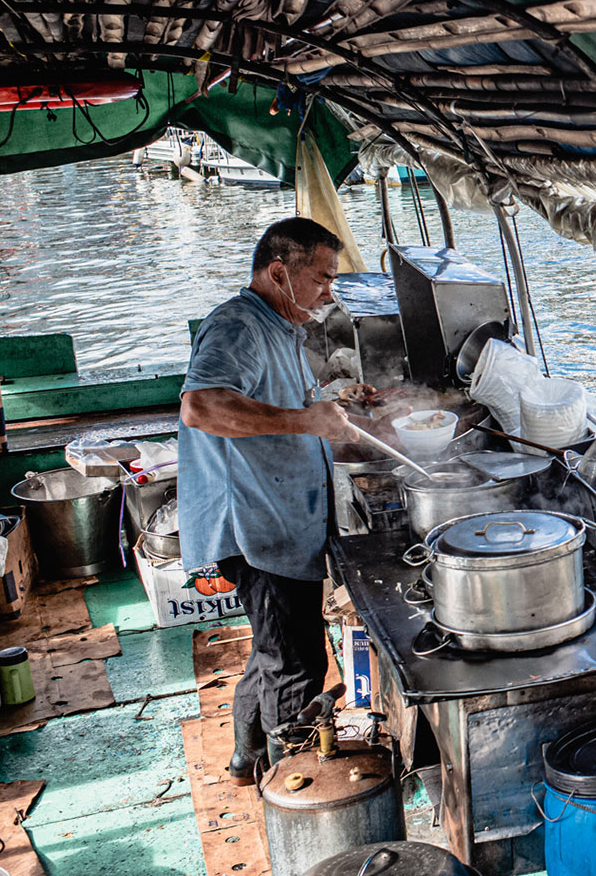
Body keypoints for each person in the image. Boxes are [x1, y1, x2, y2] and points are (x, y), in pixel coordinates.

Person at [179, 217, 352, 786]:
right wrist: (307, 419)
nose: (329, 292)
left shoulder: (279, 326)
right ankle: (293, 787)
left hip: (279, 519)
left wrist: (329, 401)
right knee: (297, 664)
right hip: (257, 527)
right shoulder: (238, 325)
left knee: (274, 648)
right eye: (321, 279)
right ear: (280, 272)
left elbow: (274, 402)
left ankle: (248, 754)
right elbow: (201, 406)